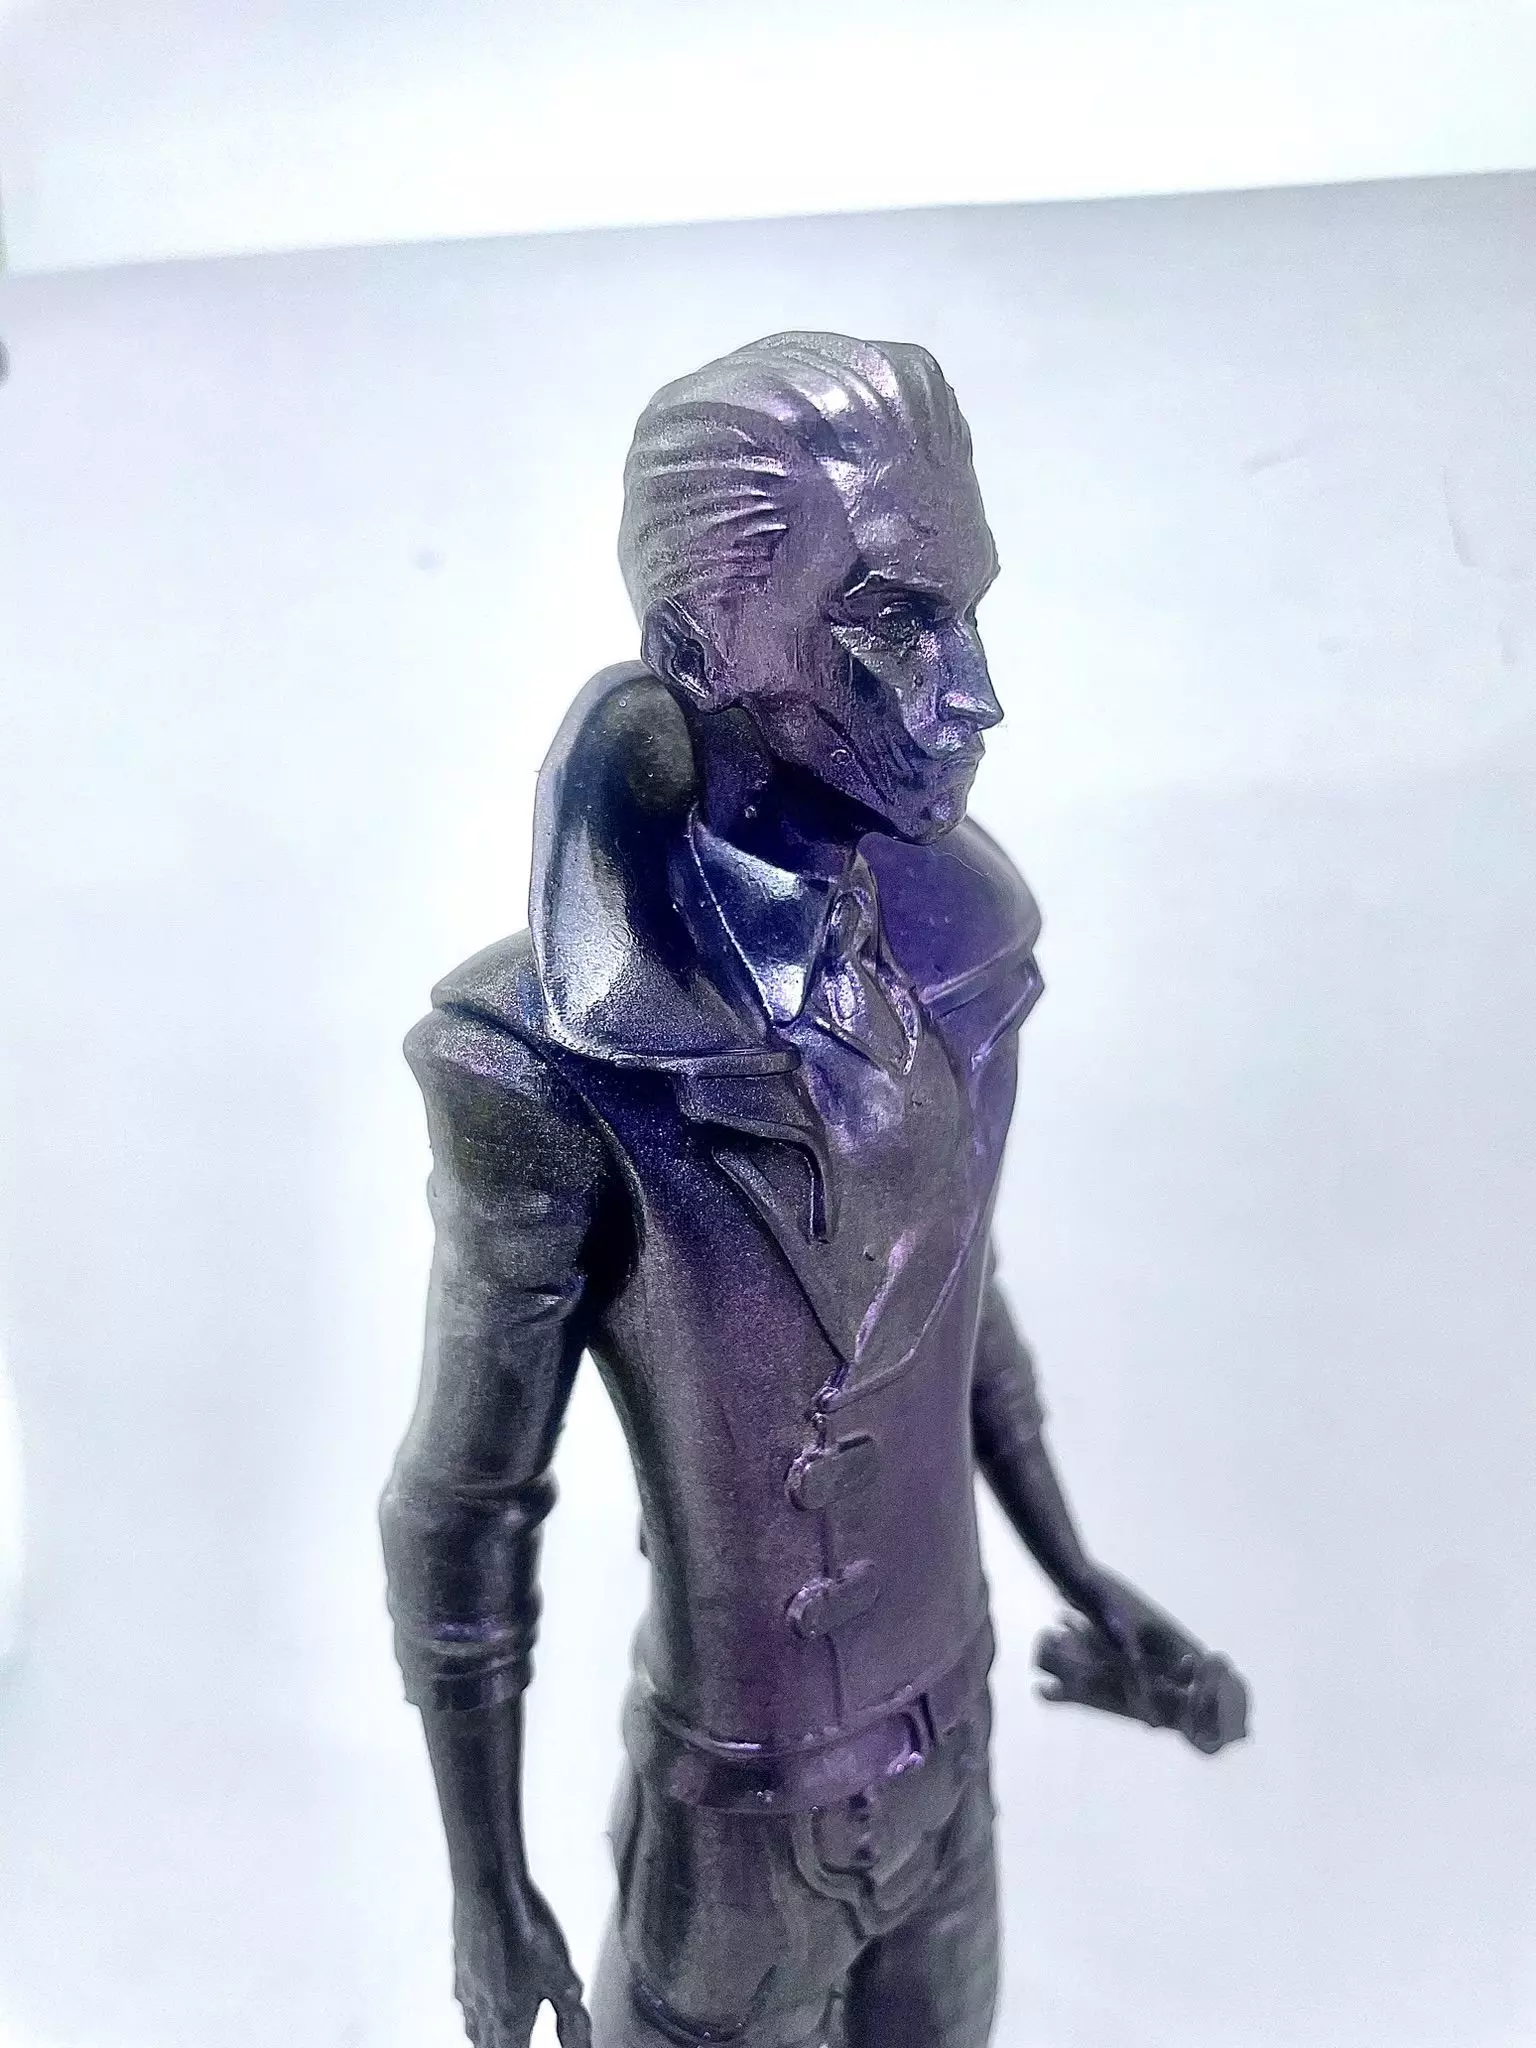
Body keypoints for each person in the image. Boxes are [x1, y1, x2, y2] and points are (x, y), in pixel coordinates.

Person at [380, 331, 1245, 2048]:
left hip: (956, 1758)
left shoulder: (961, 956)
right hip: (745, 1853)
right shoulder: (544, 1063)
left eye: (970, 612)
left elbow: (958, 1307)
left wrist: (1083, 1575)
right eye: (899, 620)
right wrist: (487, 1889)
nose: (977, 692)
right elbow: (462, 1504)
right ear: (701, 646)